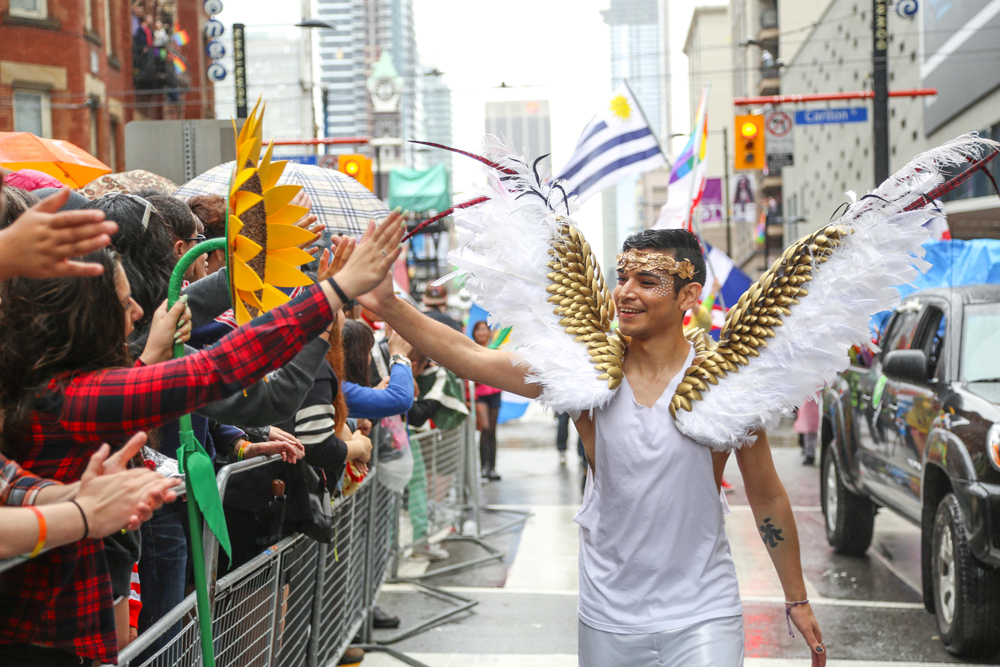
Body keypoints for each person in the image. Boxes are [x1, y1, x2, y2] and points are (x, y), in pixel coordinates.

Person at [347, 227, 825, 667]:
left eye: (648, 280)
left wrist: (797, 598)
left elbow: (766, 497)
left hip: (704, 614)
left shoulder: (727, 385)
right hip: (609, 617)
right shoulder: (588, 375)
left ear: (688, 295)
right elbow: (473, 358)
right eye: (622, 277)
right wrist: (389, 305)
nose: (625, 292)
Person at [0, 213, 404, 665]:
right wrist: (332, 292)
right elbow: (218, 368)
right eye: (122, 302)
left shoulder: (50, 383)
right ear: (86, 317)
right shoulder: (74, 394)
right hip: (41, 642)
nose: (136, 314)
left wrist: (73, 498)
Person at [471, 320, 503, 481]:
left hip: (495, 392)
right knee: (485, 428)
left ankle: (492, 468)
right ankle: (484, 467)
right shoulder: (471, 349)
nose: (482, 333)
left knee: (492, 430)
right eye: (478, 330)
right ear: (474, 333)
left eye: (484, 329)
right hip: (480, 394)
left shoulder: (496, 348)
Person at [794, 394, 820, 466]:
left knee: (809, 428)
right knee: (808, 427)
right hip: (809, 399)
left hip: (812, 398)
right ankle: (809, 453)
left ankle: (809, 453)